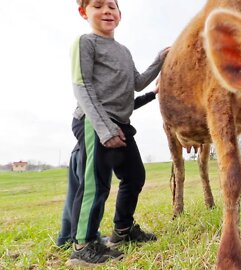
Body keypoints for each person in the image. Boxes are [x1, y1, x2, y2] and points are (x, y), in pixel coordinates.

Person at [63, 0, 169, 266]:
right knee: (95, 185)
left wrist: (159, 61)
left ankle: (122, 231)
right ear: (83, 12)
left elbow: (137, 83)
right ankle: (83, 246)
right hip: (93, 122)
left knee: (135, 176)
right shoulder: (86, 43)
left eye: (112, 6)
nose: (107, 11)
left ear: (120, 15)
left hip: (119, 123)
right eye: (98, 6)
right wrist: (104, 128)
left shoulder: (123, 50)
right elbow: (82, 86)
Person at [56, 89, 160, 250]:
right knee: (89, 189)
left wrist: (152, 94)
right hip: (88, 143)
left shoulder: (114, 100)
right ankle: (71, 241)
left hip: (91, 141)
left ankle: (74, 237)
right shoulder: (94, 90)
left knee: (83, 190)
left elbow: (125, 106)